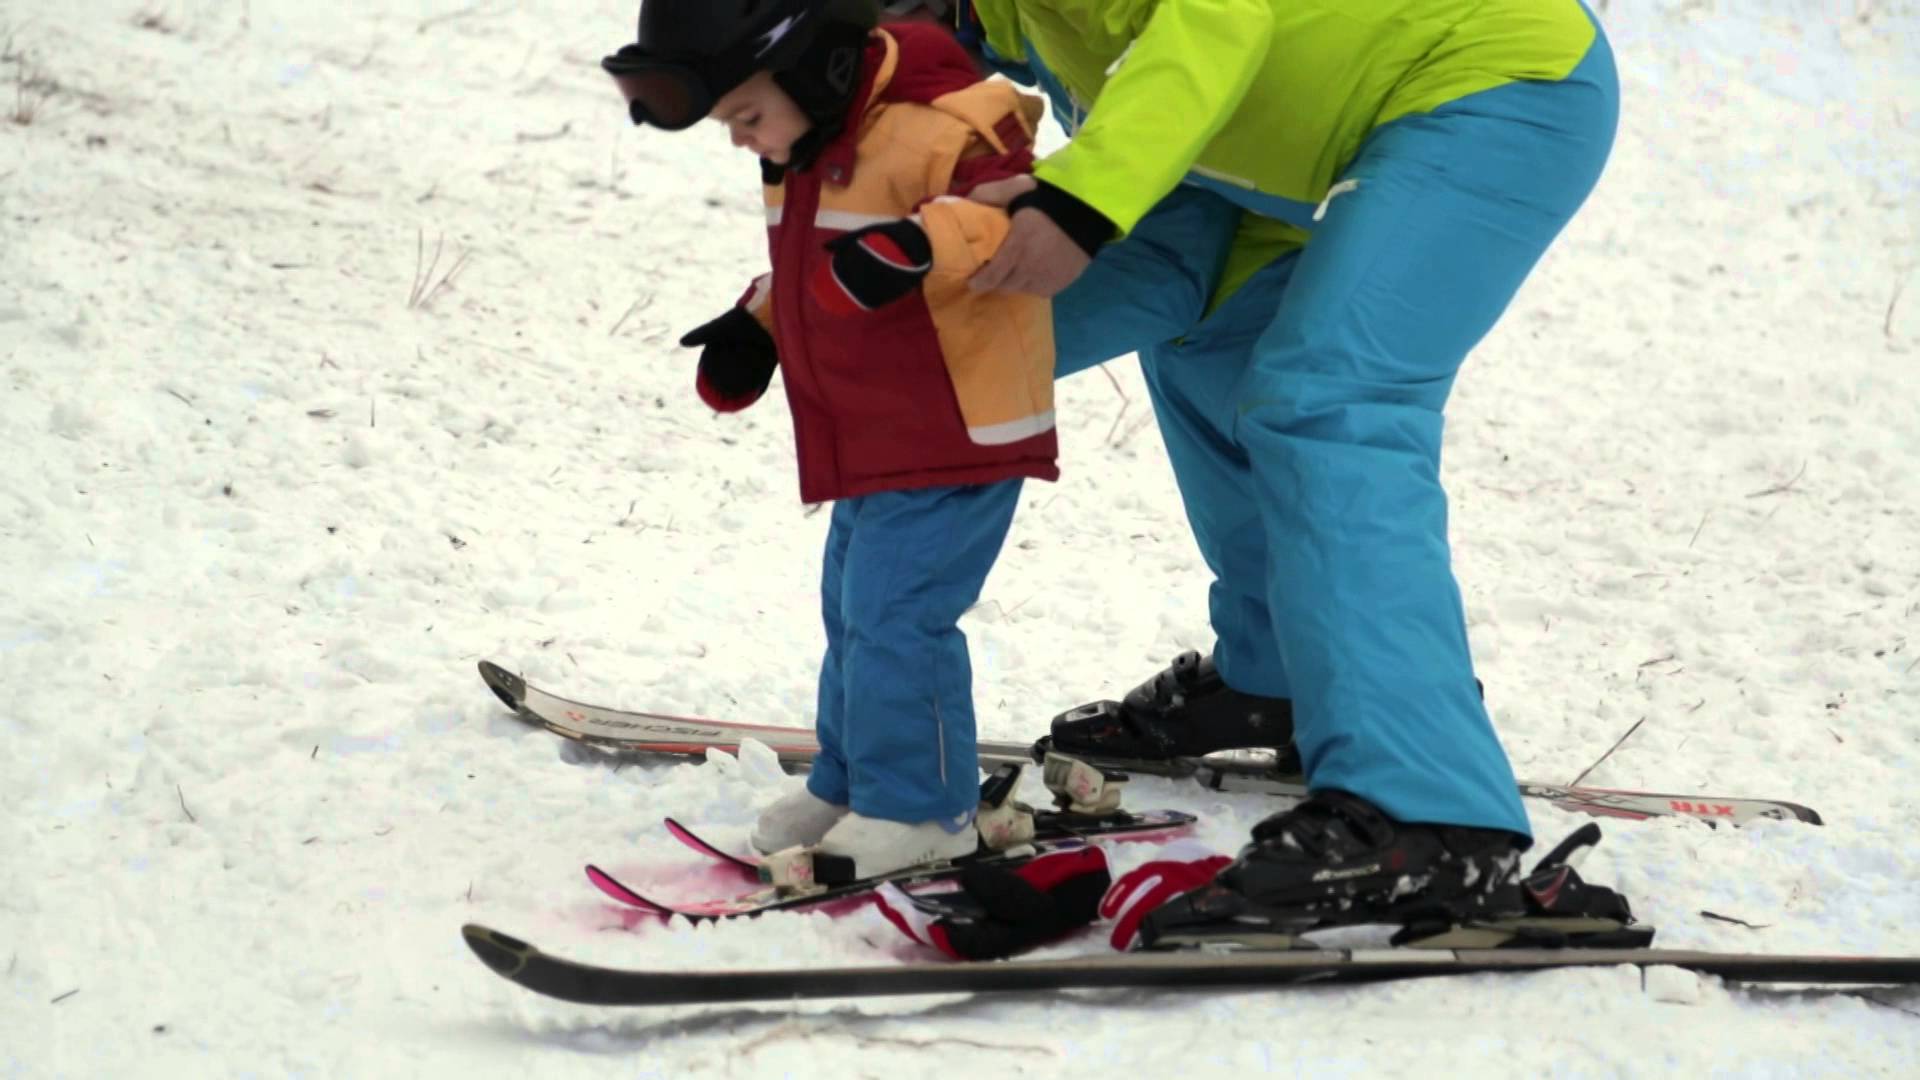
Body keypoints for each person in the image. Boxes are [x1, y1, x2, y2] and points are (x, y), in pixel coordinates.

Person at [909, 0, 1625, 938]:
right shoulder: (996, 27)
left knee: (1331, 400)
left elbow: (1216, 20)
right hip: (1279, 156)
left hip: (1487, 85)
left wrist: (1077, 205)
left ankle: (1427, 816)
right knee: (1208, 342)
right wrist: (900, 340)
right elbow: (1156, 256)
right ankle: (1280, 673)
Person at [600, 0, 1061, 880]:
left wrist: (919, 241)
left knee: (898, 618)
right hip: (873, 434)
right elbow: (818, 268)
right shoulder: (812, 144)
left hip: (954, 423)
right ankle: (853, 784)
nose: (742, 140)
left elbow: (1013, 213)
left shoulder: (944, 121)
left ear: (815, 68)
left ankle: (921, 809)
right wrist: (759, 323)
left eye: (746, 115)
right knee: (853, 613)